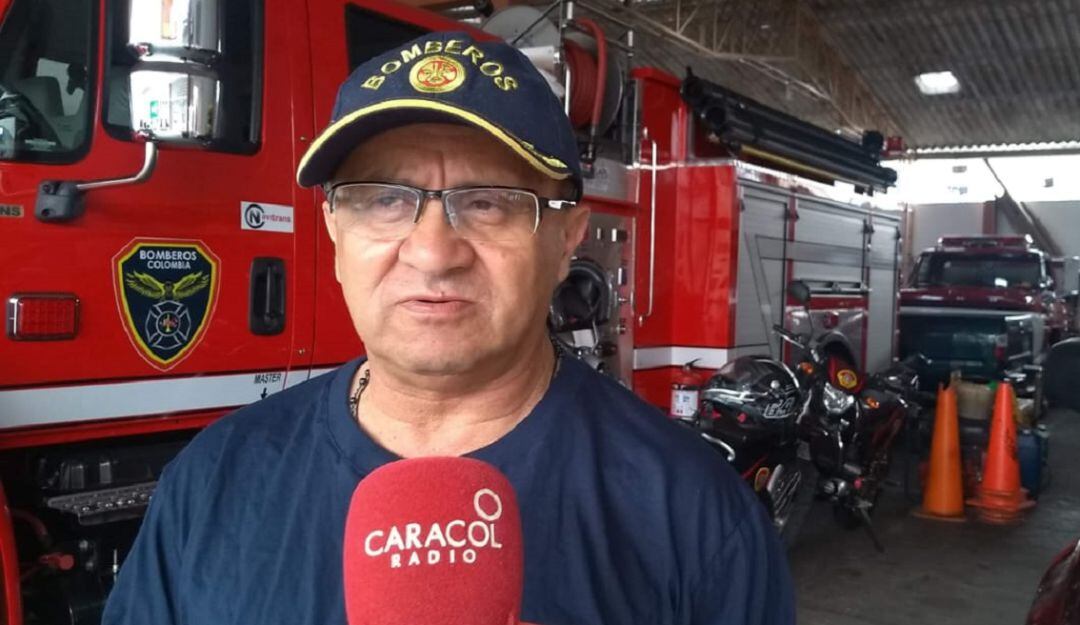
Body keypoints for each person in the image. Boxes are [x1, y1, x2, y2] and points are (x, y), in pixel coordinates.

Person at [102, 32, 794, 625]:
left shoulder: (697, 517)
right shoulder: (212, 482)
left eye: (488, 201)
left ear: (566, 241)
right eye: (383, 199)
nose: (432, 250)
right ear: (334, 233)